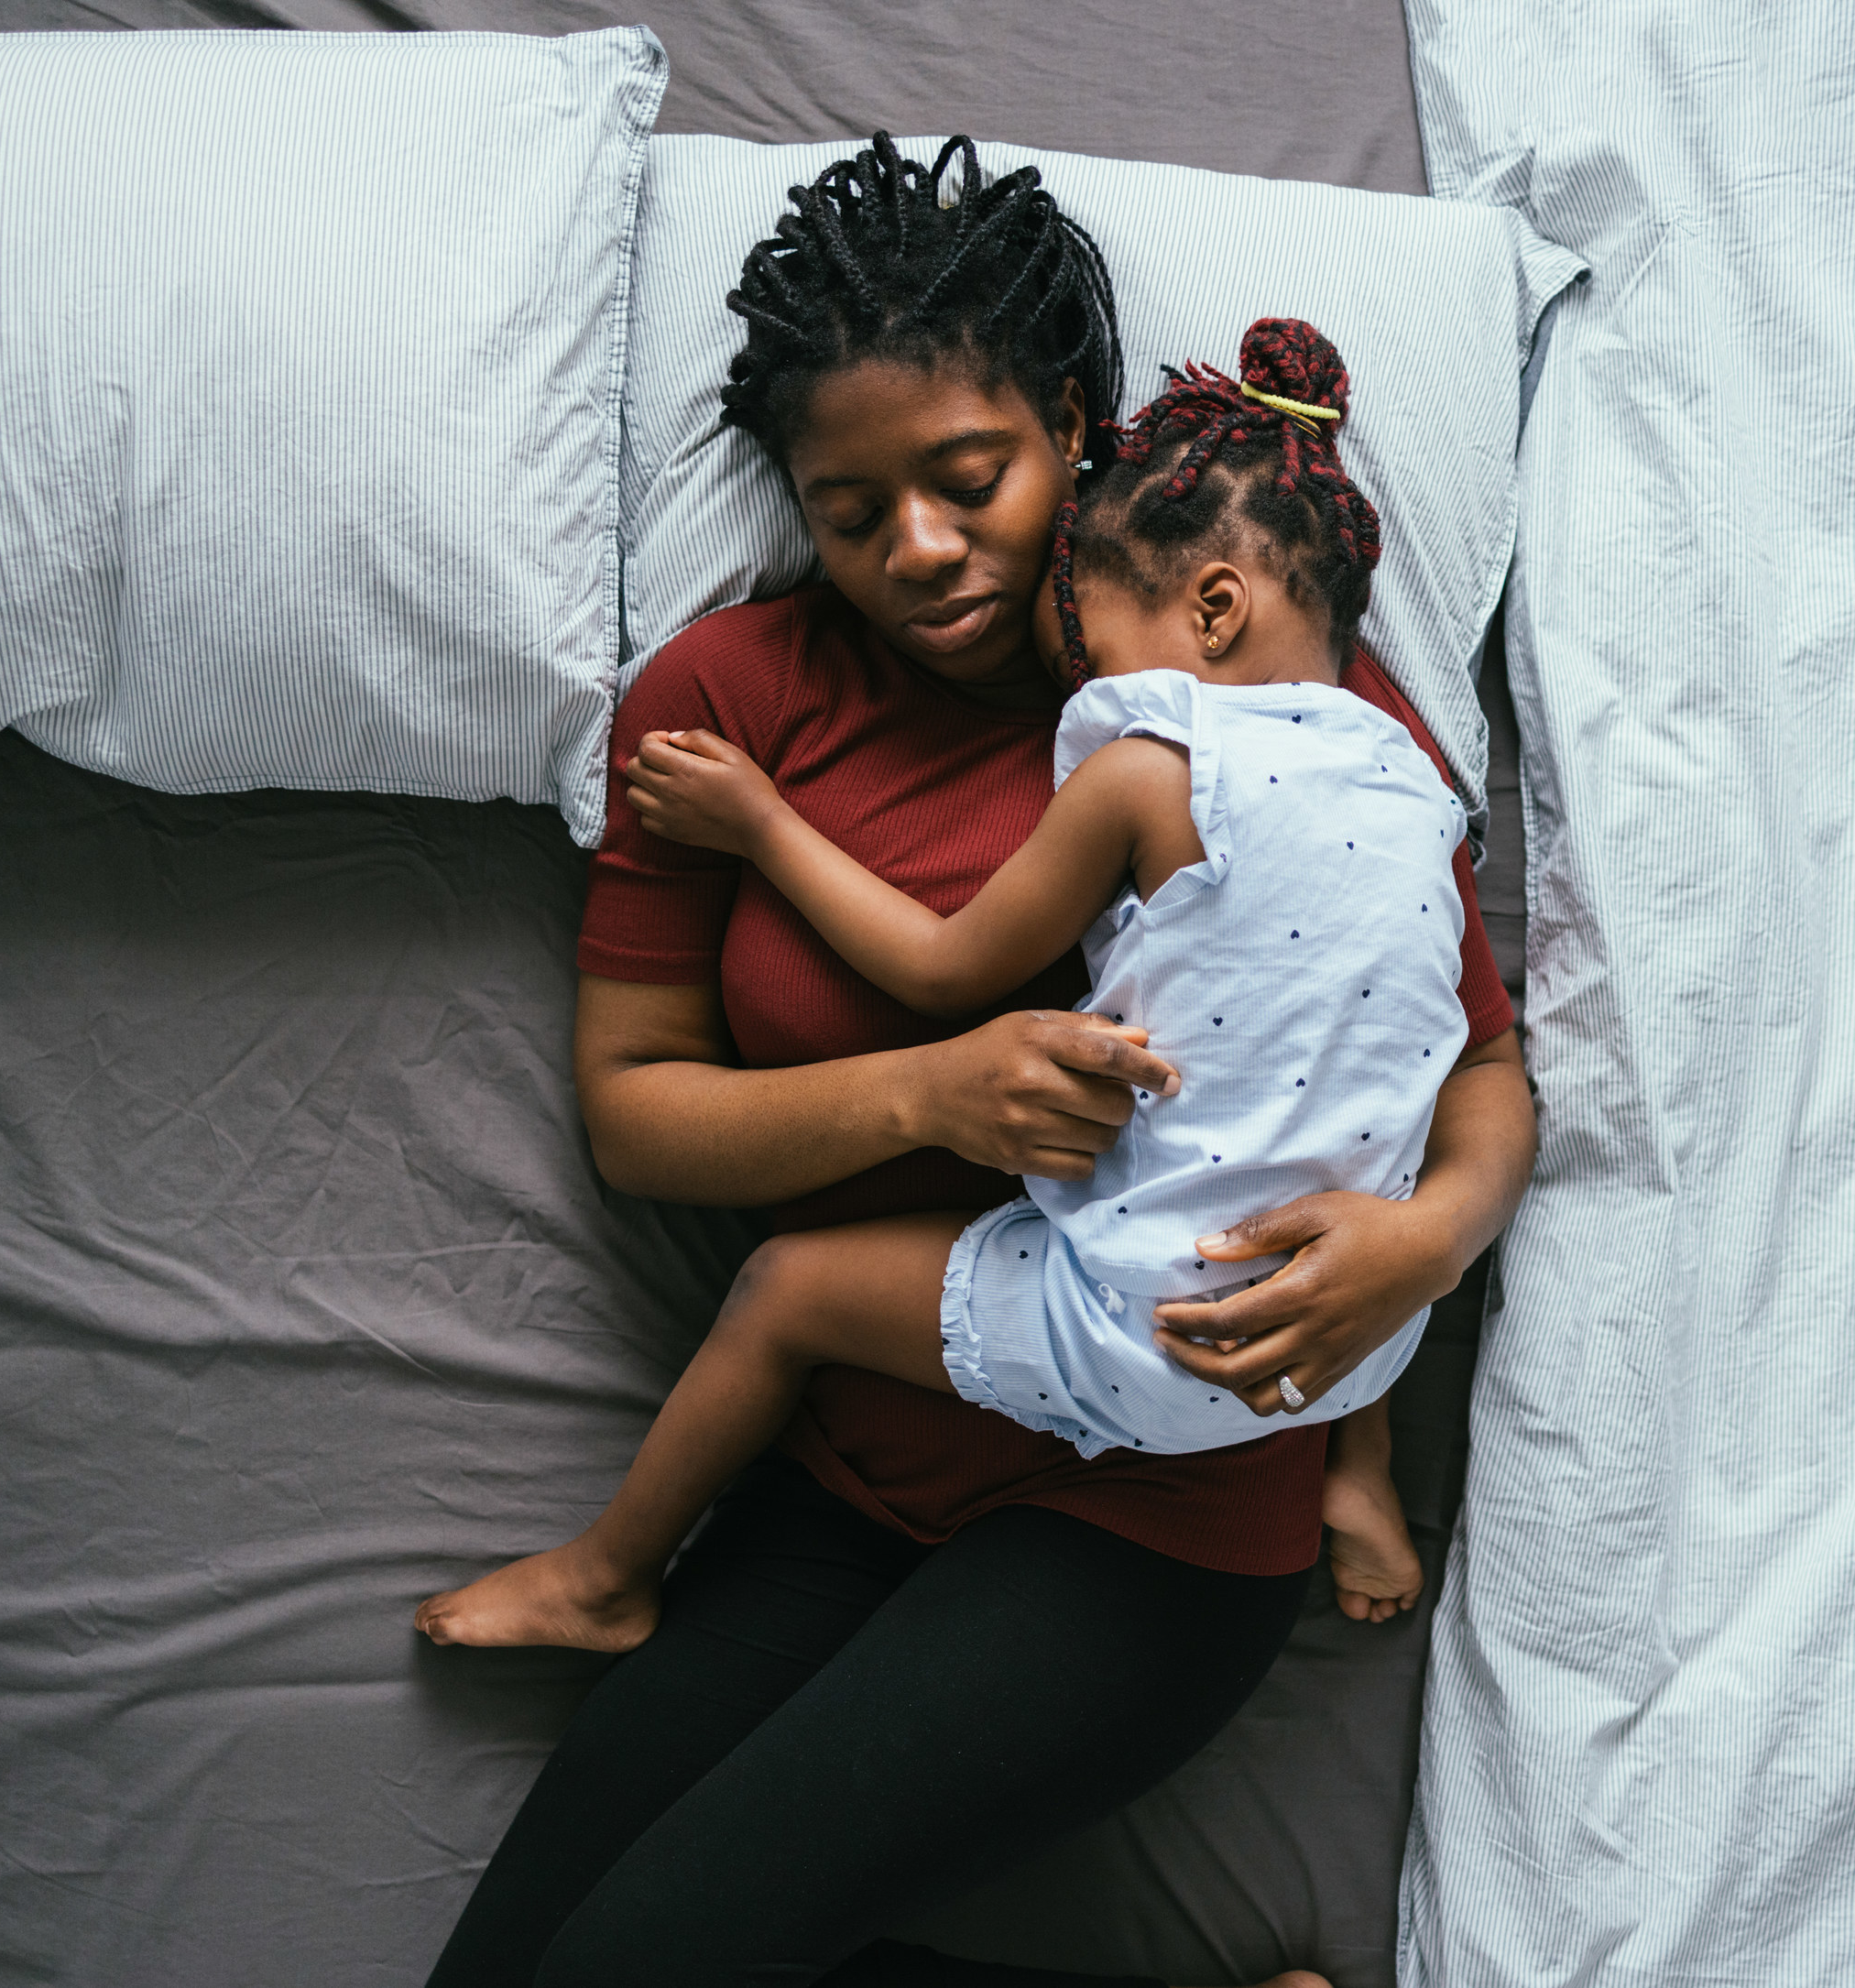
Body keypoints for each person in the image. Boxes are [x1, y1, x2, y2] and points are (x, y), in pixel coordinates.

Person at [420, 137, 1533, 1988]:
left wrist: (1432, 1241)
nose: (919, 550)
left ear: (1080, 435)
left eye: (971, 479)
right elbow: (635, 1111)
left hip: (1162, 1502)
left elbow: (1475, 1064)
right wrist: (927, 1095)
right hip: (848, 1463)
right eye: (850, 510)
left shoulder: (1261, 696)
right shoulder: (723, 713)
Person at [415, 322, 1456, 1662]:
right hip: (1339, 1350)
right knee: (1337, 1123)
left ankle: (611, 1572)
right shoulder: (1408, 781)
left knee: (789, 1290)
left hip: (1150, 1335)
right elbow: (1418, 1062)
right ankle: (1355, 1470)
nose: (1072, 668)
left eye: (972, 485)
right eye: (846, 513)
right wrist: (1412, 1267)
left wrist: (765, 828)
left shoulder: (1148, 762)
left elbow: (941, 963)